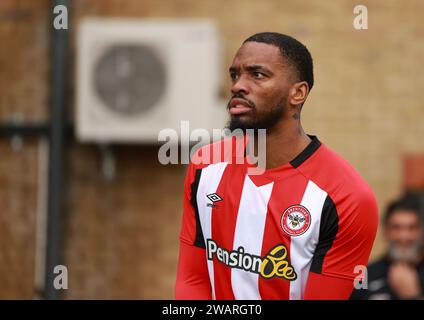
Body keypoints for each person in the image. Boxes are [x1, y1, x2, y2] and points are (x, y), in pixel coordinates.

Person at [175, 32, 378, 300]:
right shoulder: (206, 164)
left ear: (298, 93)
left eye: (257, 74)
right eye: (235, 75)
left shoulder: (347, 197)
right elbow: (193, 280)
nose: (238, 86)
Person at [351, 194, 424, 300]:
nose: (404, 236)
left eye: (411, 228)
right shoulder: (364, 274)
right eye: (396, 227)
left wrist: (413, 295)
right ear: (385, 230)